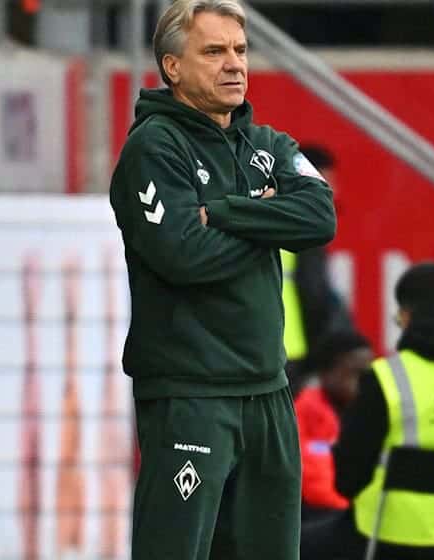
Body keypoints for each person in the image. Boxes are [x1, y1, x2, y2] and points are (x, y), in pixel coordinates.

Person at [107, 1, 335, 558]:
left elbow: (319, 216)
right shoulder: (153, 148)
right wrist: (267, 217)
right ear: (173, 67)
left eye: (240, 50)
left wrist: (227, 211)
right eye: (213, 51)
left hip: (269, 392)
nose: (234, 64)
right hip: (191, 392)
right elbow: (184, 251)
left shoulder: (269, 145)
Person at [301, 262, 434, 560]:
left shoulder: (387, 378)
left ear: (407, 316)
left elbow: (347, 481)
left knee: (291, 544)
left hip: (388, 540)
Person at [282, 144, 355, 396]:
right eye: (328, 181)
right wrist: (320, 353)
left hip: (259, 345)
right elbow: (314, 292)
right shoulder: (305, 225)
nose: (335, 191)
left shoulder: (266, 214)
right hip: (292, 351)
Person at [294, 329, 372, 523]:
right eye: (356, 373)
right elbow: (314, 482)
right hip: (319, 515)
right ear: (327, 370)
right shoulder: (306, 410)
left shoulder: (368, 410)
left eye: (368, 374)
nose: (363, 383)